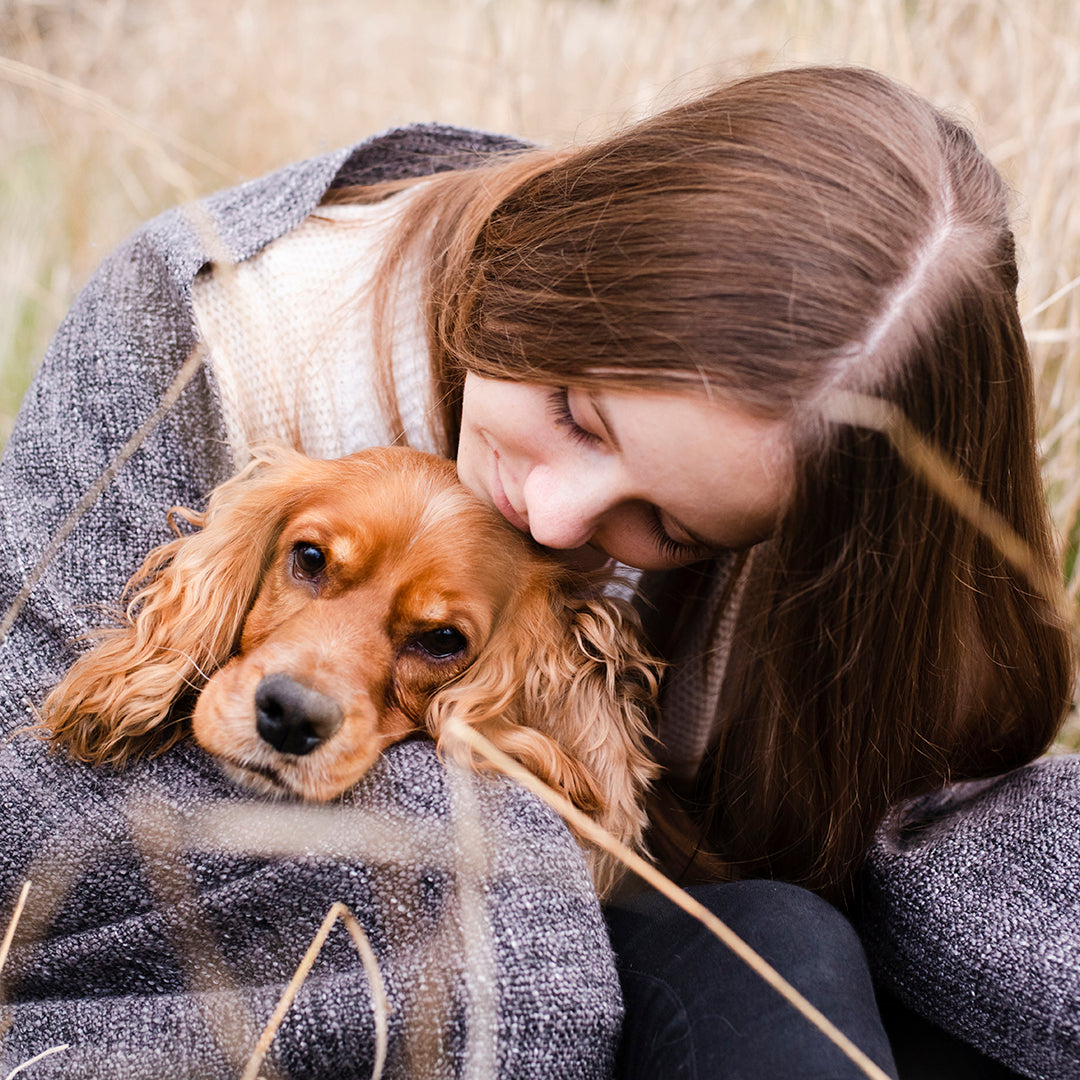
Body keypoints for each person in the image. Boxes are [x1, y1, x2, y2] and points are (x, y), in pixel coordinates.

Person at [0, 64, 1074, 1078]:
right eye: (575, 415)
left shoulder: (798, 527)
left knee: (786, 946)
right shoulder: (205, 324)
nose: (557, 521)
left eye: (666, 524)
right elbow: (32, 784)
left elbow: (941, 815)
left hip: (636, 944)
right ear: (551, 279)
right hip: (201, 973)